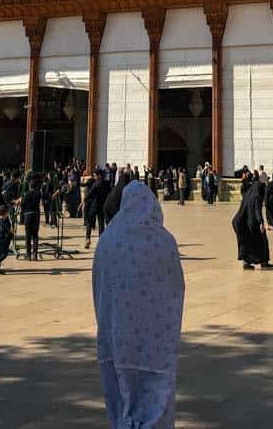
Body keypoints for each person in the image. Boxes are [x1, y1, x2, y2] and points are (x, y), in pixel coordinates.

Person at [92, 182, 184, 429]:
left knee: (120, 394)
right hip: (156, 343)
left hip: (117, 335)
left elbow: (98, 285)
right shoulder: (165, 242)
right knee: (155, 394)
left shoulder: (107, 240)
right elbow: (177, 288)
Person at [232, 178, 273, 270]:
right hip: (248, 223)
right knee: (262, 241)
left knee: (245, 243)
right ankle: (264, 262)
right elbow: (257, 210)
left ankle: (246, 263)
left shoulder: (248, 194)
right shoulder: (257, 196)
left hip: (240, 223)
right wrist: (261, 223)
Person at [84, 169, 109, 249]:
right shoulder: (106, 183)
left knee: (89, 222)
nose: (94, 176)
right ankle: (101, 241)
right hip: (103, 205)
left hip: (95, 205)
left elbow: (91, 193)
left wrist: (84, 200)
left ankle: (88, 239)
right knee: (101, 223)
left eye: (95, 175)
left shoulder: (96, 183)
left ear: (99, 175)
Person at [20, 177, 43, 261]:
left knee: (28, 235)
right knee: (35, 235)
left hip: (28, 215)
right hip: (36, 215)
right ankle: (35, 254)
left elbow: (23, 204)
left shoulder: (27, 194)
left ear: (29, 186)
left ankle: (28, 254)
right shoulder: (38, 193)